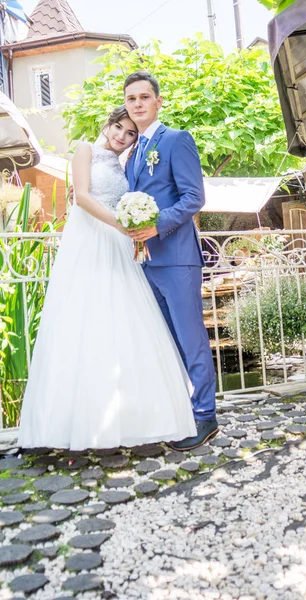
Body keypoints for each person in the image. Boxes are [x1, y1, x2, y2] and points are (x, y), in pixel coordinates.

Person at [18, 106, 197, 451]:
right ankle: (72, 422)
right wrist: (120, 224)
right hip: (89, 240)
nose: (122, 137)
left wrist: (132, 226)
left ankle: (135, 417)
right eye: (119, 128)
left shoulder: (127, 164)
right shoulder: (85, 149)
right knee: (85, 317)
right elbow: (82, 196)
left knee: (126, 320)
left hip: (119, 245)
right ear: (108, 124)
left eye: (130, 133)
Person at [124, 71, 218, 451]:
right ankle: (182, 412)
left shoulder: (177, 140)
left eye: (144, 97)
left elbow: (194, 197)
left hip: (177, 258)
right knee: (168, 342)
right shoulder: (131, 153)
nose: (138, 104)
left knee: (191, 339)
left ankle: (206, 416)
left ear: (158, 101)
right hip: (146, 263)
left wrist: (155, 225)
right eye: (131, 99)